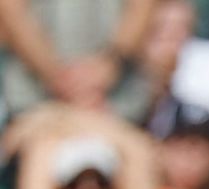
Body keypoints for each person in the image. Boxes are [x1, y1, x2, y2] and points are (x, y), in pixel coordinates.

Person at [0, 0, 156, 121]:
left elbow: (142, 7)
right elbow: (11, 11)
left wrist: (109, 66)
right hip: (35, 105)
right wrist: (60, 78)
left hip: (119, 103)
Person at [7, 105, 157, 189]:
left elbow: (137, 150)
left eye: (102, 184)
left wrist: (62, 116)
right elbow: (41, 151)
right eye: (73, 185)